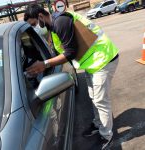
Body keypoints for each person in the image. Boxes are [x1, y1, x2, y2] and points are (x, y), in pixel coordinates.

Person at [25, 4, 119, 150]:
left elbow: (70, 53)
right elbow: (59, 51)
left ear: (40, 16)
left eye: (34, 24)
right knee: (93, 96)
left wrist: (44, 64)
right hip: (92, 62)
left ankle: (107, 136)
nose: (36, 27)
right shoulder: (52, 27)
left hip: (104, 58)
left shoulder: (60, 22)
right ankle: (98, 124)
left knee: (101, 100)